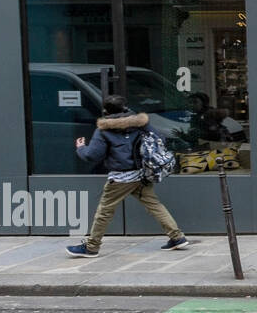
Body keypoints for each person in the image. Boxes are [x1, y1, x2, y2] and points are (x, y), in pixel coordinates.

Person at [65, 95, 189, 258]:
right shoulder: (140, 124)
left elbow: (92, 155)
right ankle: (177, 237)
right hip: (141, 174)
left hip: (121, 179)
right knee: (154, 205)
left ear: (105, 111)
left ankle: (91, 247)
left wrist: (81, 147)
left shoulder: (103, 130)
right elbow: (161, 139)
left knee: (104, 211)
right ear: (125, 108)